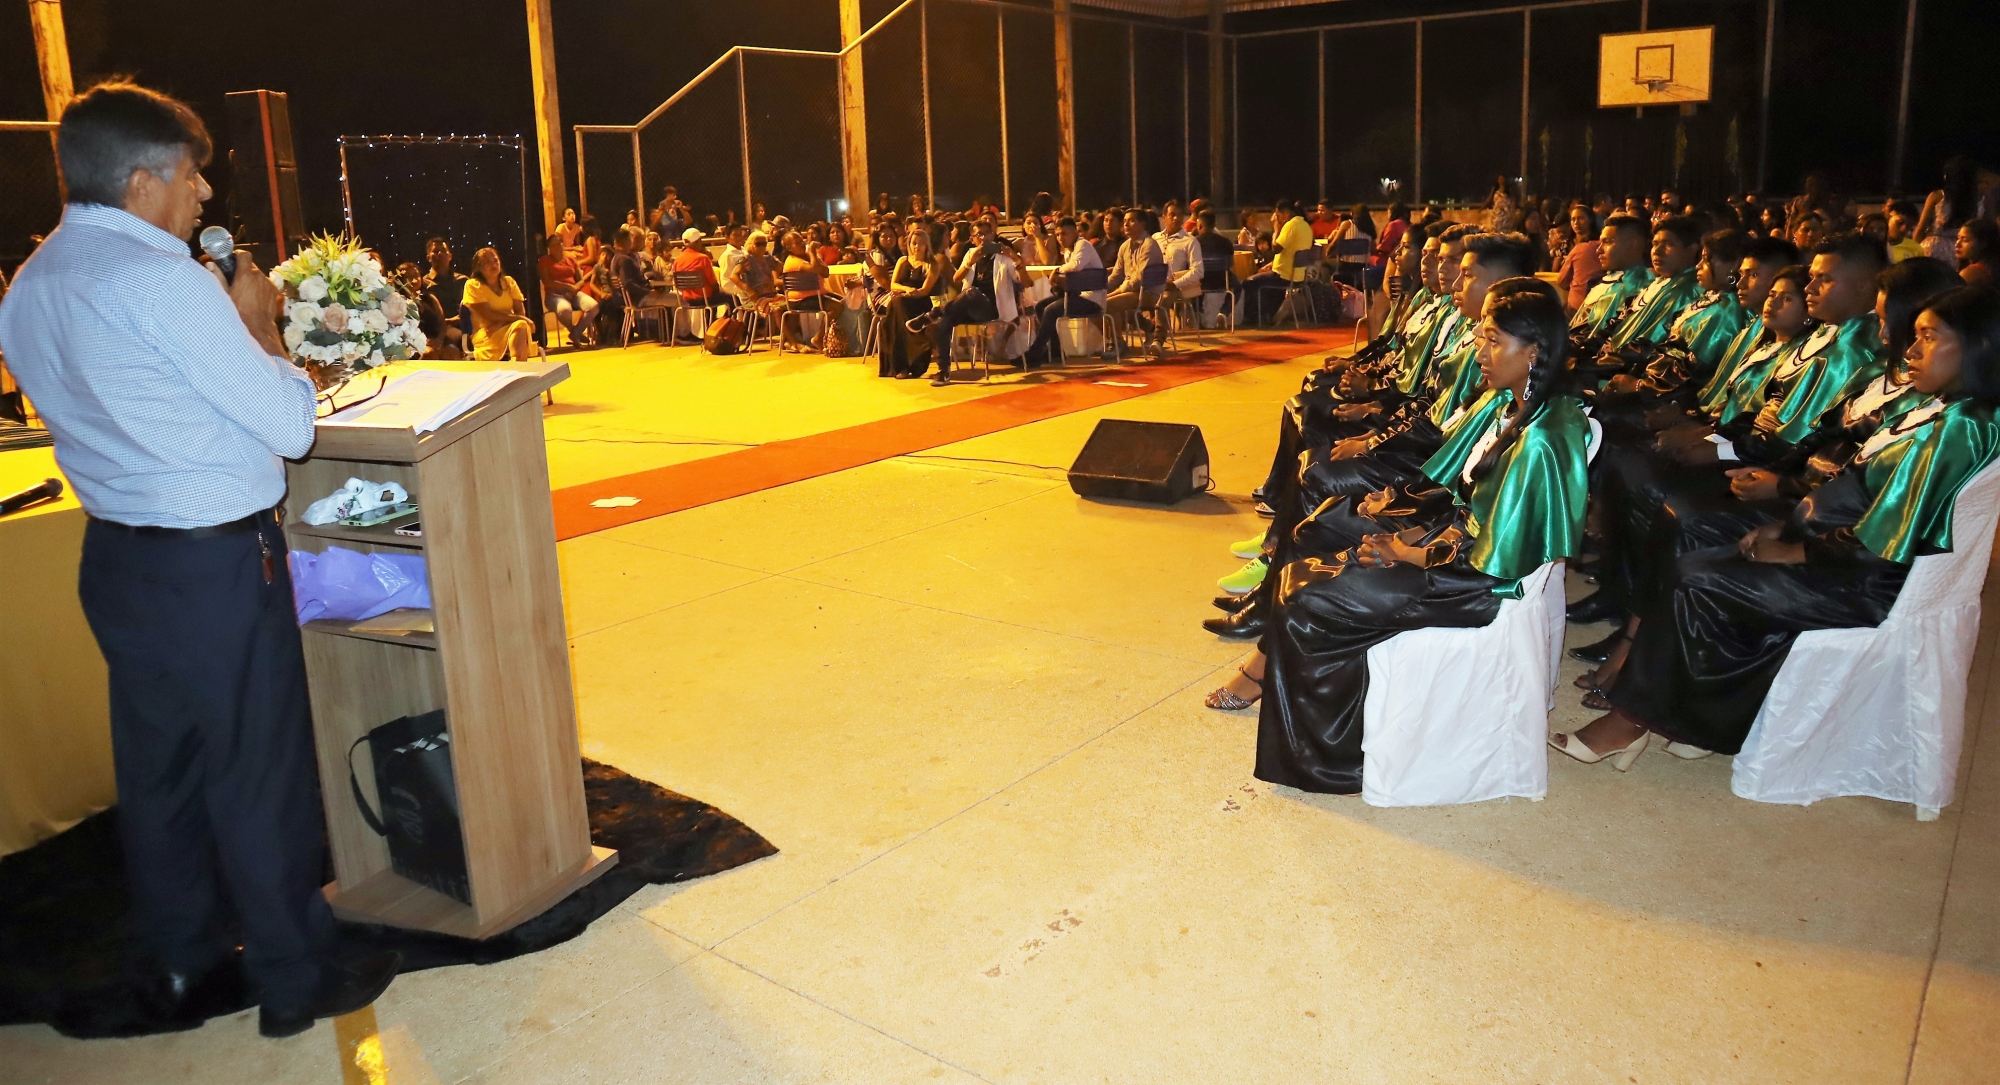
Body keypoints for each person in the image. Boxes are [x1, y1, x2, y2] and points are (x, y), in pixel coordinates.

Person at [0, 79, 400, 1039]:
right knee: (255, 768)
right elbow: (289, 425)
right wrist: (258, 323)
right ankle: (295, 975)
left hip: (121, 561)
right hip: (214, 564)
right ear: (141, 182)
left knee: (161, 772)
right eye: (190, 177)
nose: (204, 198)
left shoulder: (34, 280)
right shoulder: (163, 280)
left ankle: (183, 964)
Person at [1559, 284, 2000, 768]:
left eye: (1930, 337)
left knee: (1699, 578)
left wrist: (1797, 551)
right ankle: (1686, 718)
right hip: (1843, 550)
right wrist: (1788, 528)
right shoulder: (1940, 407)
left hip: (1866, 579)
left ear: (1977, 344)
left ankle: (1630, 722)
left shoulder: (1965, 425)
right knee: (1693, 559)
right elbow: (1853, 488)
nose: (1911, 349)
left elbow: (1892, 534)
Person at [1210, 282, 1589, 800]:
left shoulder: (1542, 439)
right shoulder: (1508, 400)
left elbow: (1497, 564)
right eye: (1481, 336)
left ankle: (1338, 761)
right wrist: (1394, 510)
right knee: (1315, 530)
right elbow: (1454, 488)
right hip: (1451, 549)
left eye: (1494, 340)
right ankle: (1275, 671)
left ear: (1535, 351)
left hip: (1469, 585)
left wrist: (1405, 551)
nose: (1479, 350)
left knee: (1308, 600)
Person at [926, 217, 1019, 385]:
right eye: (979, 235)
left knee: (972, 292)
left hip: (991, 308)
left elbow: (1024, 282)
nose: (983, 238)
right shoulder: (970, 254)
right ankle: (944, 371)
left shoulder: (1004, 256)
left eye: (987, 233)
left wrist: (1016, 259)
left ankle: (935, 312)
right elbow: (956, 277)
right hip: (968, 308)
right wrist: (970, 262)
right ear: (972, 239)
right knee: (944, 323)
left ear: (993, 234)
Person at [1023, 216, 1106, 369]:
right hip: (1075, 295)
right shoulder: (1068, 251)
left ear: (1075, 232)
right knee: (1040, 307)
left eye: (1064, 234)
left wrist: (1057, 270)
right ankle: (1055, 351)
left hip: (1091, 298)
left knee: (1050, 310)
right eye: (1058, 234)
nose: (1061, 238)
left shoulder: (1083, 245)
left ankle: (1035, 353)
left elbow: (1076, 266)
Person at [1104, 209, 1167, 358]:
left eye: (1131, 221)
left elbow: (1139, 279)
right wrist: (1100, 288)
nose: (1126, 224)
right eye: (1125, 221)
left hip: (1149, 294)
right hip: (1132, 292)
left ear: (1142, 224)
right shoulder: (1125, 246)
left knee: (1108, 304)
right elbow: (1116, 275)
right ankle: (1147, 327)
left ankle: (1118, 344)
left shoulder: (1149, 245)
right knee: (1100, 300)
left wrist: (1116, 292)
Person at [881, 227, 942, 378]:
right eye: (914, 243)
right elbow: (893, 284)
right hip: (902, 300)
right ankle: (904, 363)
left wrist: (913, 293)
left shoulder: (932, 264)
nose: (917, 247)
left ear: (926, 245)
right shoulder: (902, 261)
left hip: (920, 303)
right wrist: (907, 289)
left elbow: (925, 290)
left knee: (898, 306)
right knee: (898, 305)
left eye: (920, 243)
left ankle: (902, 367)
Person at [461, 246, 538, 359]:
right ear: (479, 267)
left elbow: (520, 310)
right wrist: (518, 319)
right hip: (487, 333)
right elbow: (488, 314)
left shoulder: (509, 282)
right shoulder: (473, 285)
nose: (494, 265)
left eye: (496, 261)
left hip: (510, 328)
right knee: (521, 324)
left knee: (521, 325)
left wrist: (505, 322)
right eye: (488, 262)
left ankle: (517, 366)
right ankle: (518, 368)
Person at [539, 234, 597, 346]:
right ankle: (575, 332)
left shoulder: (571, 258)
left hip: (573, 292)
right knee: (564, 309)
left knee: (593, 306)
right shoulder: (544, 261)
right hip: (554, 293)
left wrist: (573, 290)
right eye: (554, 244)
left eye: (559, 243)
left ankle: (575, 333)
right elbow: (548, 282)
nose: (557, 246)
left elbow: (580, 280)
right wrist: (567, 287)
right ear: (549, 248)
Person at [419, 235, 468, 358]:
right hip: (439, 329)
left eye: (443, 251)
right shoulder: (424, 283)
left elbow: (471, 308)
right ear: (428, 257)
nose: (439, 254)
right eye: (435, 251)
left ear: (450, 256)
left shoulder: (463, 280)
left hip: (464, 324)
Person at [669, 227, 720, 339]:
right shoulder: (703, 258)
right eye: (700, 240)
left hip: (686, 299)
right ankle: (719, 330)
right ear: (697, 242)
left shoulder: (677, 259)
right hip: (704, 298)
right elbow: (713, 283)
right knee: (729, 299)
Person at [1954, 218, 2000, 288]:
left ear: (1983, 243)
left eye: (1965, 240)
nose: (1957, 244)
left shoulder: (1972, 274)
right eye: (1958, 238)